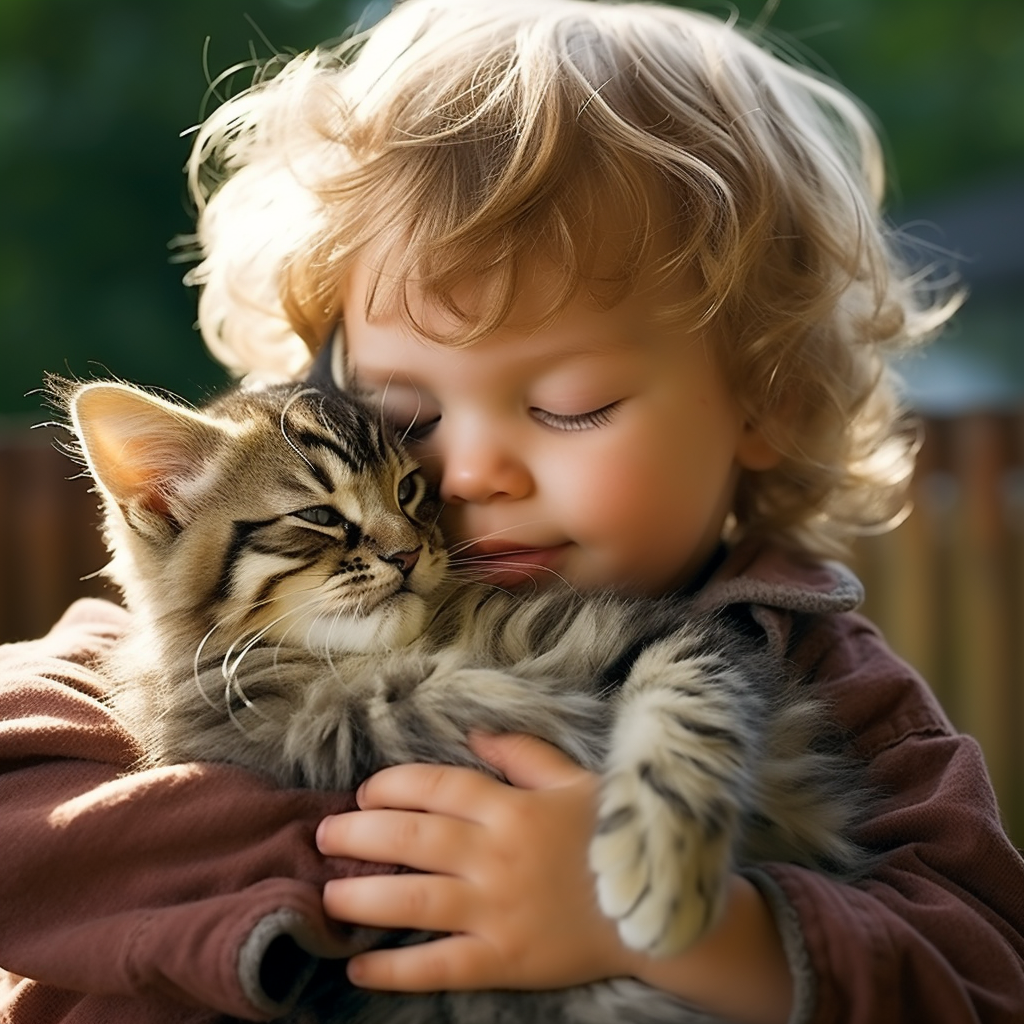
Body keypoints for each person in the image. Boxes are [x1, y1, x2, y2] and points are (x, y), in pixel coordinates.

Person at [2, 1, 1023, 1022]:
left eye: (566, 407)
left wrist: (722, 937)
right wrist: (343, 881)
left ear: (767, 403)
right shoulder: (160, 651)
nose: (471, 472)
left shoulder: (832, 676)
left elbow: (982, 965)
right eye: (403, 414)